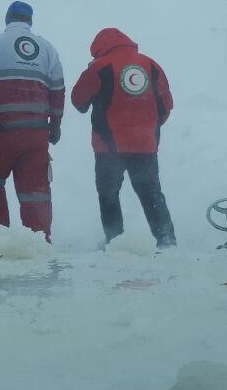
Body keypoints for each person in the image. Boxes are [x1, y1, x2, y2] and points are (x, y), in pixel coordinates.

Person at [0, 1, 65, 241]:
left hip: (3, 133)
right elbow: (57, 89)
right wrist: (56, 124)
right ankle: (39, 240)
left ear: (8, 18)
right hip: (37, 134)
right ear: (30, 22)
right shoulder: (48, 48)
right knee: (35, 191)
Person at [70, 27, 176, 248]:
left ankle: (115, 240)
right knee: (151, 193)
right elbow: (166, 106)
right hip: (145, 146)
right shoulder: (151, 65)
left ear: (99, 48)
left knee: (109, 194)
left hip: (109, 147)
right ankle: (166, 239)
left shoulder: (100, 67)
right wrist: (148, 129)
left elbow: (78, 101)